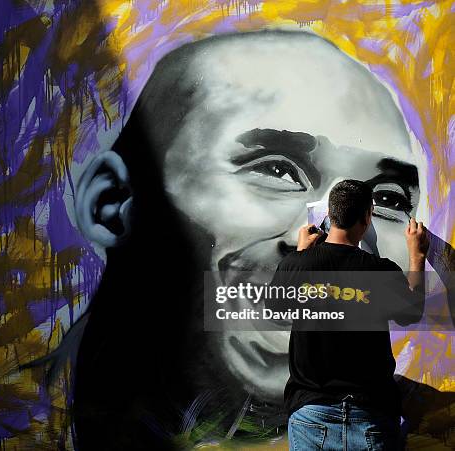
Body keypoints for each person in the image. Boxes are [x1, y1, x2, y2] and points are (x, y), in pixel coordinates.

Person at [70, 30, 426, 449]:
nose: (323, 223)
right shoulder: (6, 415)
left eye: (387, 198)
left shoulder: (427, 428)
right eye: (275, 170)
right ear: (111, 203)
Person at [271, 179, 428, 450]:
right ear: (367, 218)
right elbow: (411, 312)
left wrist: (300, 257)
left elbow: (276, 311)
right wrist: (417, 256)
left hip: (311, 416)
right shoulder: (380, 271)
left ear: (330, 215)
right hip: (369, 416)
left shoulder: (295, 264)